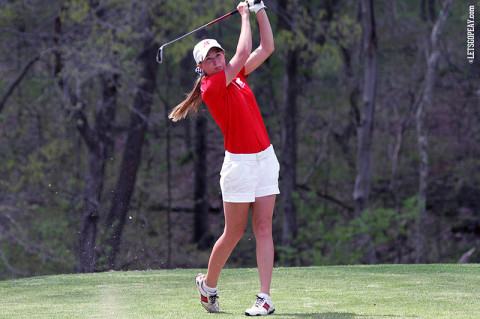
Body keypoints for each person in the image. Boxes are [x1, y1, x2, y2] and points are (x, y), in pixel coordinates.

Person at [169, 0, 277, 316]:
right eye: (209, 58)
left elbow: (266, 47)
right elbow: (243, 52)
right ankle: (209, 286)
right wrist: (243, 16)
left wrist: (259, 10)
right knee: (234, 232)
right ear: (200, 67)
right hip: (239, 166)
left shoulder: (236, 74)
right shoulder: (212, 85)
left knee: (264, 227)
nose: (216, 59)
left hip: (265, 159)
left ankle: (265, 298)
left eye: (218, 54)